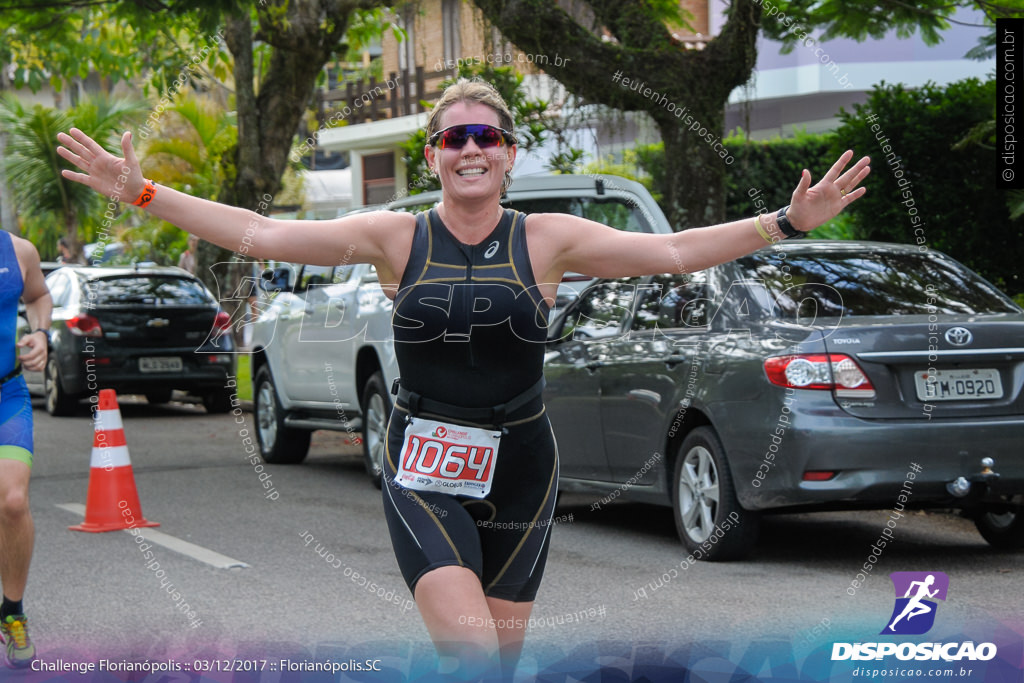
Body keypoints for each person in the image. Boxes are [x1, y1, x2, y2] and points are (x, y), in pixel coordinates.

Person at [56, 78, 869, 680]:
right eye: (454, 139)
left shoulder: (548, 239)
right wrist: (146, 193)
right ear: (434, 155)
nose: (470, 149)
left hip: (523, 468)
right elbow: (263, 233)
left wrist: (787, 222)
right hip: (425, 465)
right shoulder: (394, 238)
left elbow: (675, 251)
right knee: (472, 651)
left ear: (510, 154)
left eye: (485, 136)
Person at [0, 231, 52, 668]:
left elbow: (38, 296)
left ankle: (11, 612)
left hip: (6, 396)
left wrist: (40, 332)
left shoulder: (18, 251)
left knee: (13, 502)